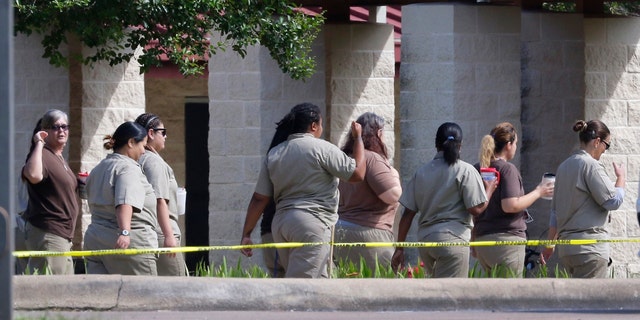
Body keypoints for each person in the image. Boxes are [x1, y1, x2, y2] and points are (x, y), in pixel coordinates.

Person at [240, 102, 366, 278]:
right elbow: (357, 173)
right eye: (321, 124)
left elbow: (259, 198)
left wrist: (246, 233)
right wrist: (358, 138)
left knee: (315, 280)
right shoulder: (323, 148)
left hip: (281, 225)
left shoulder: (275, 153)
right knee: (304, 288)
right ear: (314, 126)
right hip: (310, 223)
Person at [391, 122, 496, 278]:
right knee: (452, 297)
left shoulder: (421, 172)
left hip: (426, 242)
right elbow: (476, 209)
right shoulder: (466, 170)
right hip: (453, 241)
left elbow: (408, 214)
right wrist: (489, 190)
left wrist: (399, 248)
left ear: (436, 144)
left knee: (435, 294)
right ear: (460, 145)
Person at [540, 120, 624, 278]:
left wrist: (550, 245)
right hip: (590, 249)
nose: (605, 150)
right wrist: (621, 179)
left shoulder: (563, 167)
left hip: (567, 251)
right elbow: (613, 201)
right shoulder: (591, 165)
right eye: (607, 145)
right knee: (593, 302)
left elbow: (554, 214)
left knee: (577, 301)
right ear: (597, 141)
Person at [472, 122, 554, 278]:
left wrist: (473, 237)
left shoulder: (477, 168)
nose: (516, 147)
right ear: (508, 145)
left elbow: (472, 208)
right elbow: (510, 205)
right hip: (507, 241)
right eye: (515, 143)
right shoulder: (507, 169)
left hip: (482, 240)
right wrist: (539, 192)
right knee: (509, 294)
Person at [83, 121, 159, 275]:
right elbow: (124, 202)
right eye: (143, 146)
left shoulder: (99, 168)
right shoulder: (127, 168)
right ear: (131, 142)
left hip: (96, 240)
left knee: (103, 295)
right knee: (144, 295)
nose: (144, 152)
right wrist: (125, 232)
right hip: (127, 245)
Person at [334, 112, 402, 268]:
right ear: (378, 133)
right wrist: (394, 174)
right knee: (380, 287)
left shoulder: (346, 158)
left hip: (340, 231)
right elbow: (392, 195)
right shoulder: (372, 158)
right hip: (369, 234)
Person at [22, 110, 79, 275]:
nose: (61, 131)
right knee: (52, 292)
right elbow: (33, 175)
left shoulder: (59, 157)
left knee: (65, 290)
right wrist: (39, 142)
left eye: (64, 127)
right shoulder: (42, 155)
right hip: (49, 233)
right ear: (45, 131)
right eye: (55, 127)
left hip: (62, 235)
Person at [135, 113, 187, 276]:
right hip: (161, 231)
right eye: (163, 132)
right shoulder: (154, 162)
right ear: (151, 133)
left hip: (147, 230)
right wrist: (169, 236)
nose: (166, 136)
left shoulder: (137, 159)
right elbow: (159, 200)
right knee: (177, 285)